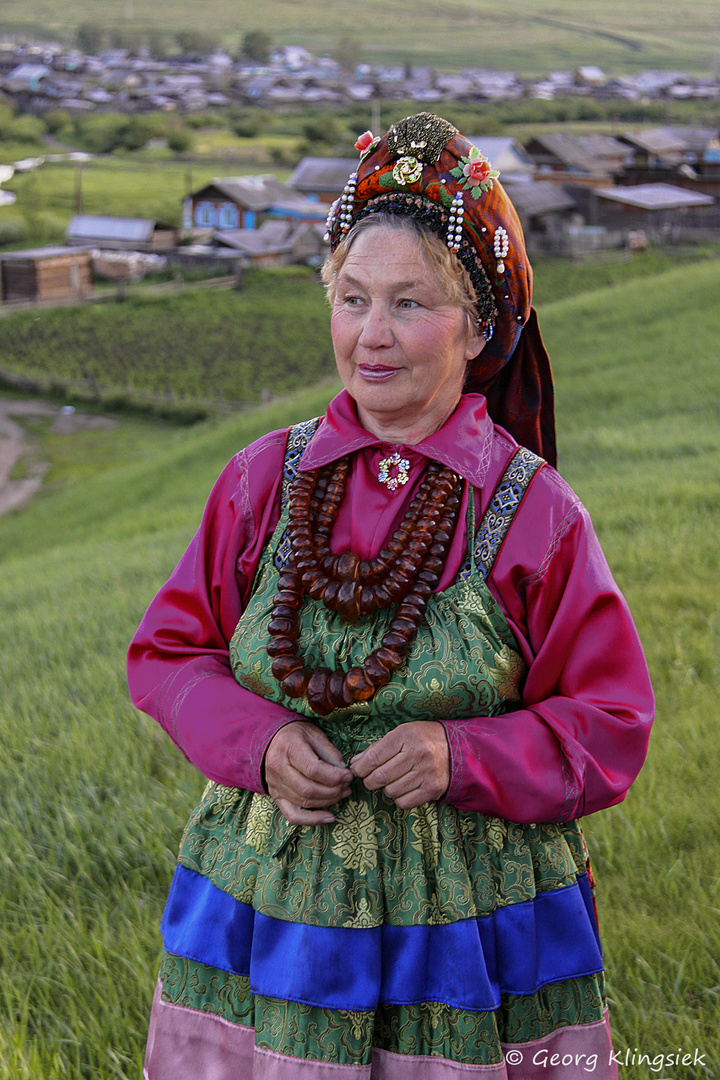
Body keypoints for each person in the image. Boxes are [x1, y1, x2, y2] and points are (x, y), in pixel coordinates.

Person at [128, 113, 653, 1079]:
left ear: (480, 326)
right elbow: (168, 655)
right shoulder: (259, 480)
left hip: (466, 927)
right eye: (353, 297)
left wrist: (465, 753)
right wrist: (262, 742)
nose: (372, 336)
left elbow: (612, 722)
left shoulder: (532, 509)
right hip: (264, 912)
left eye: (411, 303)